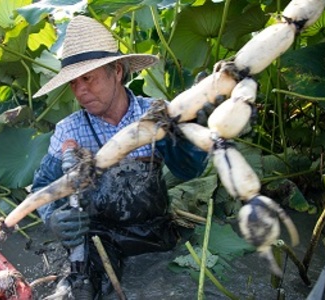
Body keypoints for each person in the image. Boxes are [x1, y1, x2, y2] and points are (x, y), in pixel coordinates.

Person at [31, 15, 208, 299]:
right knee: (82, 289)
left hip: (154, 231)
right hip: (100, 237)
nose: (80, 91)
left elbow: (189, 171)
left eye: (87, 78)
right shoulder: (69, 130)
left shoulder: (156, 114)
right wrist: (52, 217)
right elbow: (41, 189)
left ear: (116, 71)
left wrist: (184, 138)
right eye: (73, 84)